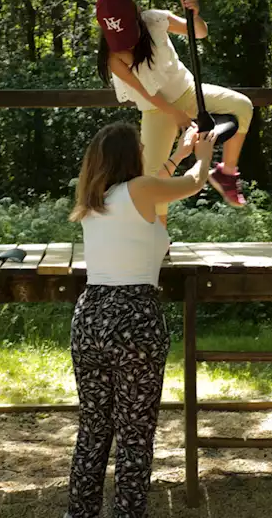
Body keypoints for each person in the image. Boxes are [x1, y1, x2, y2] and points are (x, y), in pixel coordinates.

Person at [65, 121, 215, 518]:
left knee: (94, 427)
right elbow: (194, 183)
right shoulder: (142, 191)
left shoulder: (94, 199)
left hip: (91, 317)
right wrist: (202, 157)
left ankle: (80, 512)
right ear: (131, 156)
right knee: (134, 432)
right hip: (135, 320)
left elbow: (149, 184)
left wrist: (178, 155)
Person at [94, 0, 253, 217]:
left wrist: (195, 16)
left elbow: (199, 32)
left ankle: (226, 173)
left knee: (243, 106)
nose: (126, 44)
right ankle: (160, 240)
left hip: (188, 91)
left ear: (136, 15)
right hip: (156, 109)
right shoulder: (112, 57)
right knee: (152, 176)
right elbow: (147, 92)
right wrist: (175, 114)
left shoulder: (155, 20)